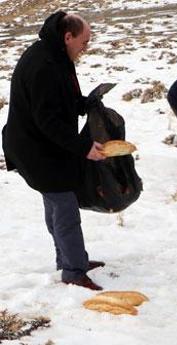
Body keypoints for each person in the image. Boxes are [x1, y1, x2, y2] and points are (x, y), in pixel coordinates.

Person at [2, 11, 107, 291]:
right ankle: (73, 270)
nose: (86, 48)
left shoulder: (58, 55)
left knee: (57, 203)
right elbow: (47, 120)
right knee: (64, 207)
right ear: (68, 36)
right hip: (34, 149)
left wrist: (83, 104)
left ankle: (70, 259)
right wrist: (84, 147)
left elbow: (63, 98)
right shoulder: (43, 66)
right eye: (84, 42)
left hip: (43, 145)